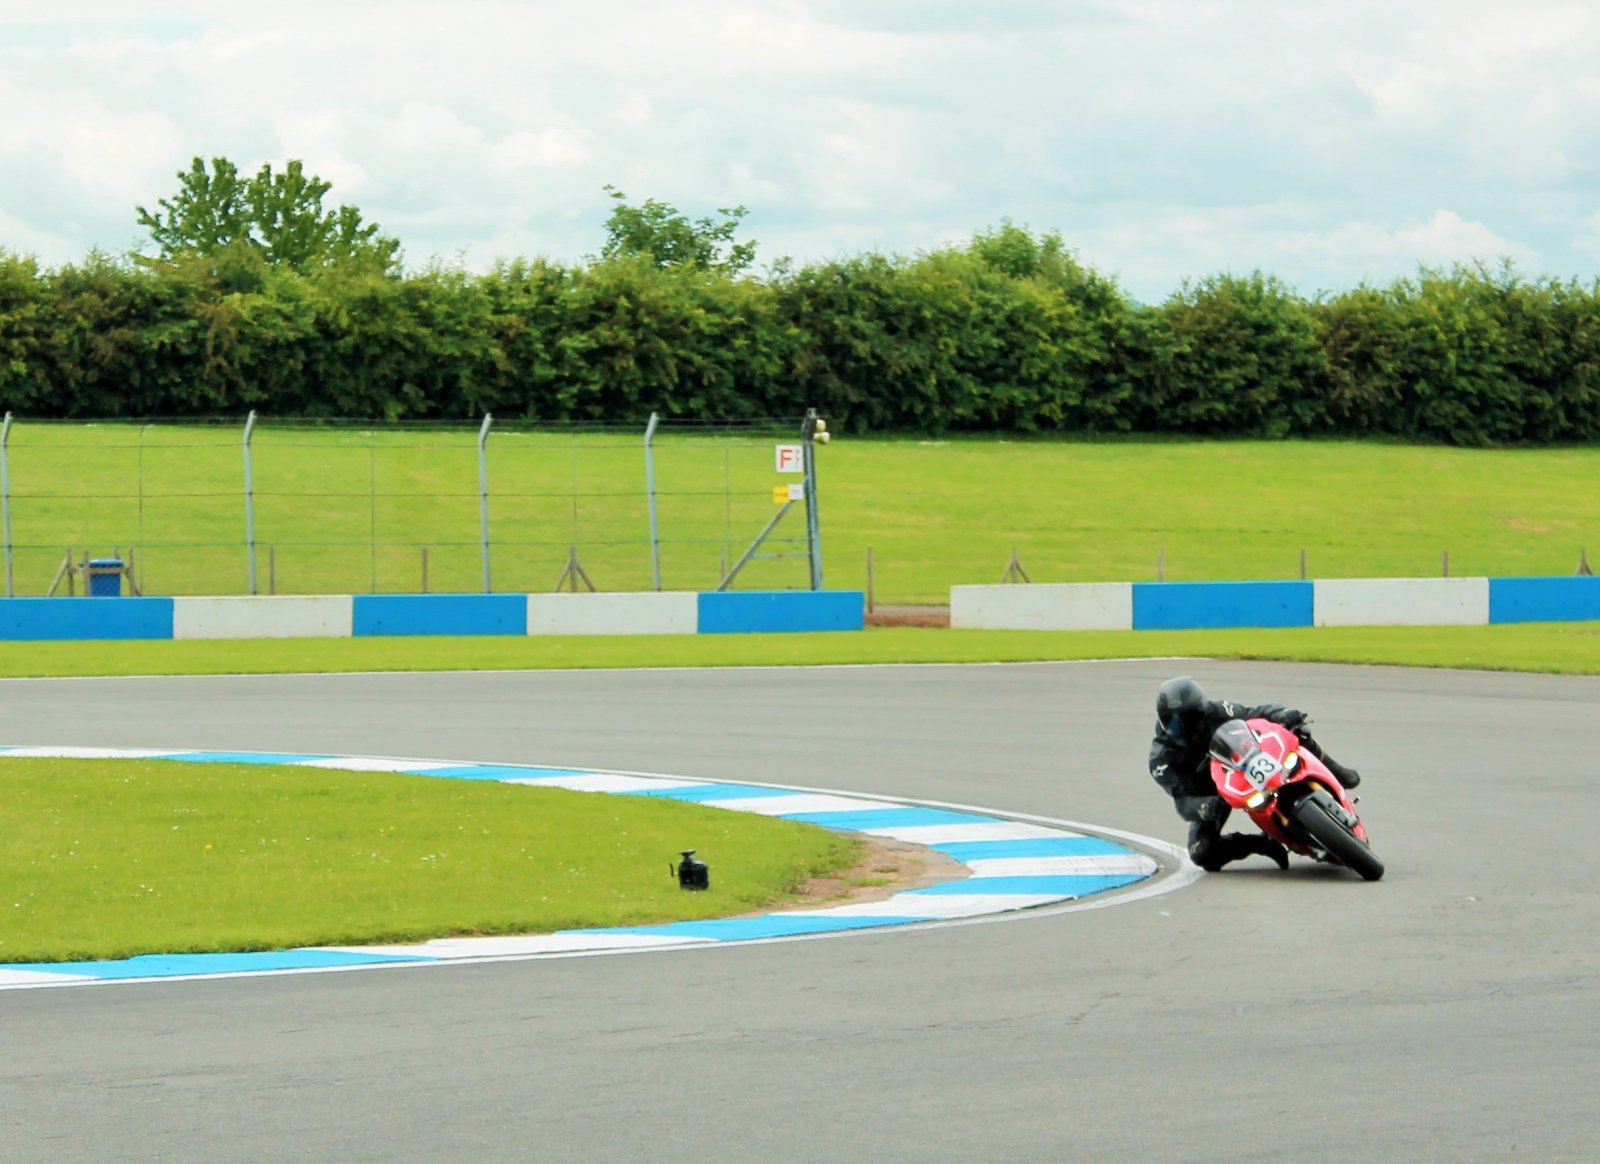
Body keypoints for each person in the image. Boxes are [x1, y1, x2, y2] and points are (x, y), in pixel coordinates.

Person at [1149, 675, 1362, 872]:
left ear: (1202, 710)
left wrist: (1282, 713)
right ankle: (1260, 843)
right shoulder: (1161, 758)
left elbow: (1254, 713)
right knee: (1201, 853)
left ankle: (1337, 771)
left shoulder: (1217, 711)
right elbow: (1182, 801)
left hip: (1244, 764)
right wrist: (1202, 807)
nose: (1182, 727)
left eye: (1189, 719)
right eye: (1173, 722)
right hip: (1213, 794)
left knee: (1297, 730)